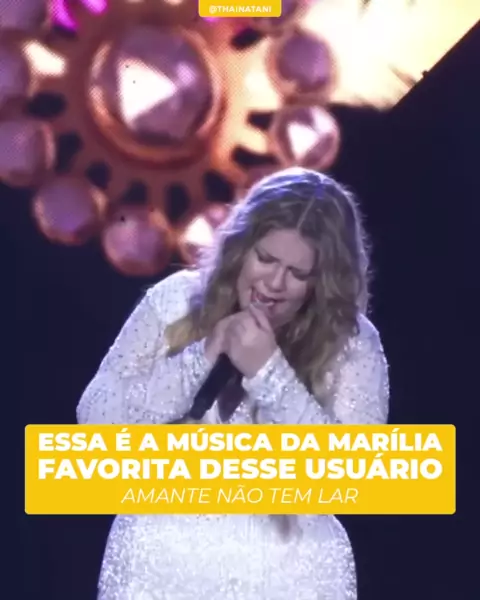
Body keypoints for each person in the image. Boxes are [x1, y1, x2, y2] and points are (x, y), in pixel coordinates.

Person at [77, 166, 390, 599]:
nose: (274, 283)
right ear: (241, 245)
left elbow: (357, 476)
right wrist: (203, 355)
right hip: (157, 564)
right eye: (266, 259)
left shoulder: (351, 341)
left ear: (323, 281)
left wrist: (269, 372)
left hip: (293, 575)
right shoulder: (177, 300)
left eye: (298, 273)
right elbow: (96, 417)